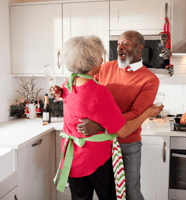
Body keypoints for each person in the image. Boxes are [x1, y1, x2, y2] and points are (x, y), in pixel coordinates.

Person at [50, 35, 163, 200]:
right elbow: (88, 91)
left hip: (126, 144)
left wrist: (101, 126)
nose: (119, 48)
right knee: (112, 195)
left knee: (131, 193)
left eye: (126, 43)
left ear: (139, 48)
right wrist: (61, 93)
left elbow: (134, 114)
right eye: (118, 44)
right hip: (101, 148)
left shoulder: (150, 79)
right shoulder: (103, 71)